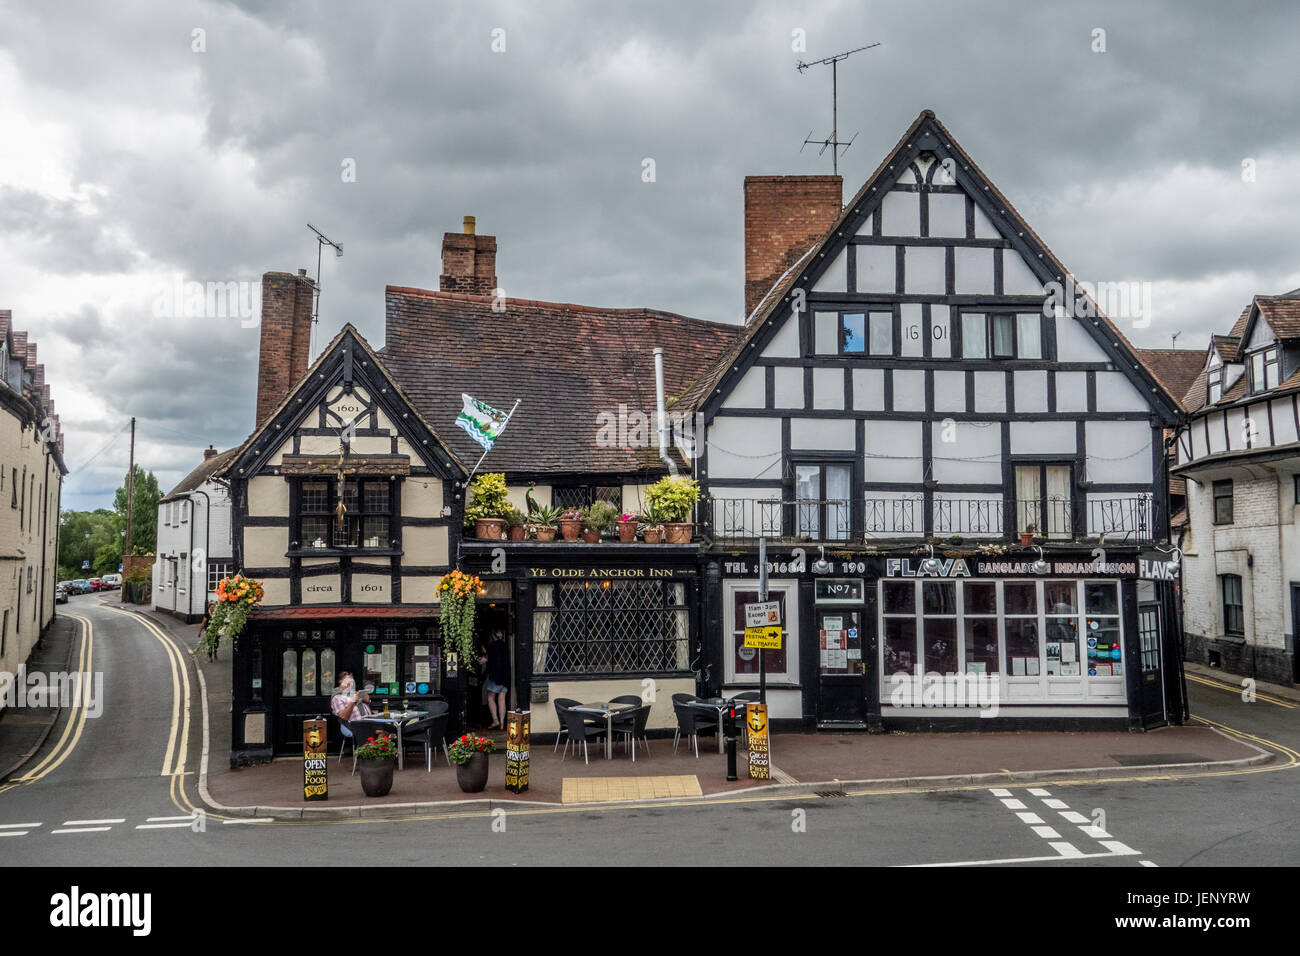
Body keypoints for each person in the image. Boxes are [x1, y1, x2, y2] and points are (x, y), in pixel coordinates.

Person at [478, 630, 510, 730]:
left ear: (493, 636)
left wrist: (486, 658)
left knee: (490, 698)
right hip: (505, 678)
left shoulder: (493, 646)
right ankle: (502, 723)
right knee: (502, 699)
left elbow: (492, 658)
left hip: (496, 677)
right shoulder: (504, 645)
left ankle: (495, 720)